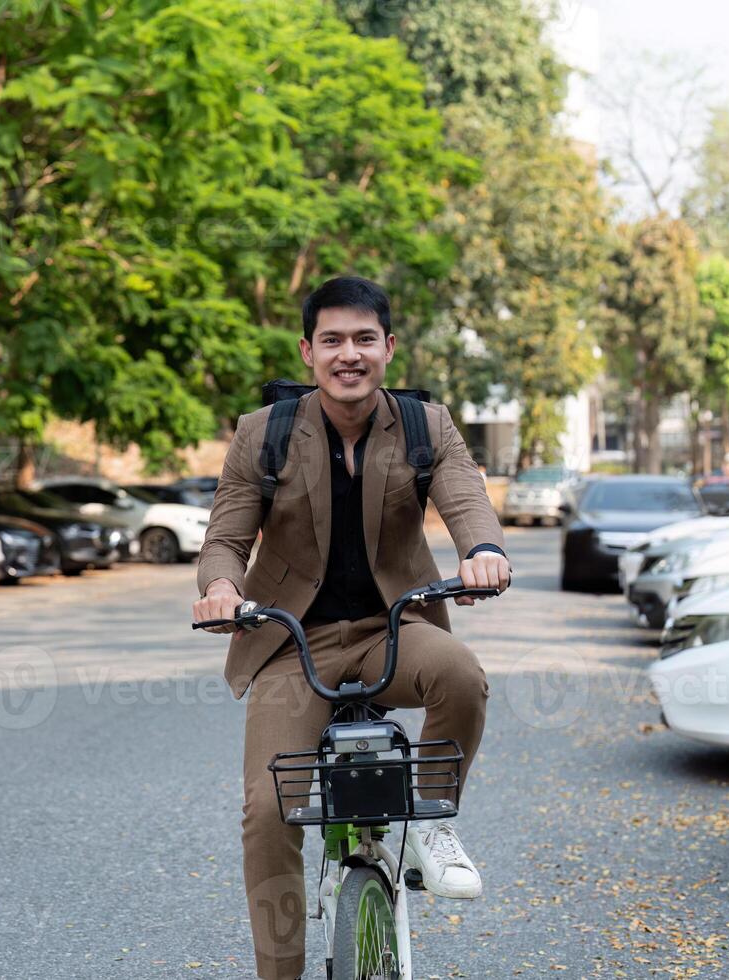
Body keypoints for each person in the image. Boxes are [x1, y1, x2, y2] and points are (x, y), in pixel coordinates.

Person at [191, 276, 512, 980]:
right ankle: (281, 975)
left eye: (365, 339)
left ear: (389, 348)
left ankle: (431, 821)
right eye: (332, 340)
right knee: (269, 809)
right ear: (309, 351)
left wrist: (483, 553)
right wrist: (220, 589)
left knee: (461, 673)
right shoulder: (262, 433)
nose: (349, 355)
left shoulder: (427, 426)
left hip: (392, 629)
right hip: (290, 641)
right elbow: (225, 538)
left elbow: (466, 500)